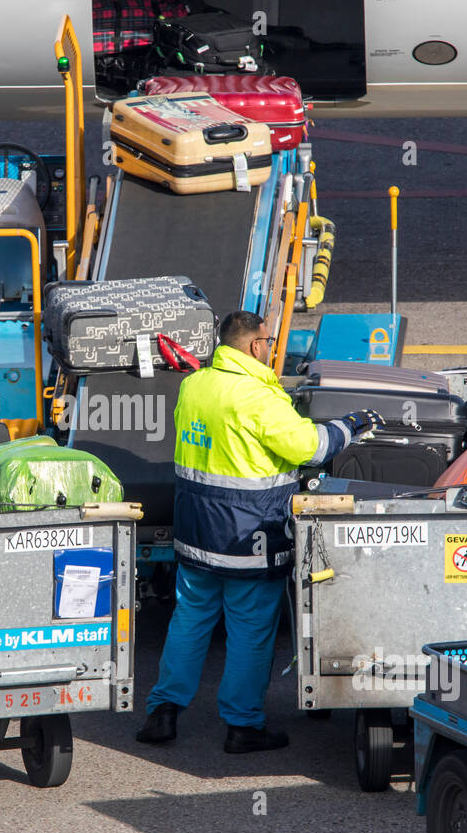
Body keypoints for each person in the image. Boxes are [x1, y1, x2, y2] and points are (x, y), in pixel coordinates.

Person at [137, 310, 382, 753]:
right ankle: (242, 725)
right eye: (268, 340)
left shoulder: (195, 385)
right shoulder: (259, 397)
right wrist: (352, 426)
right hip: (250, 535)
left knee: (190, 619)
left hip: (196, 530)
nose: (271, 347)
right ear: (254, 345)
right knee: (250, 630)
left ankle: (163, 712)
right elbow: (308, 447)